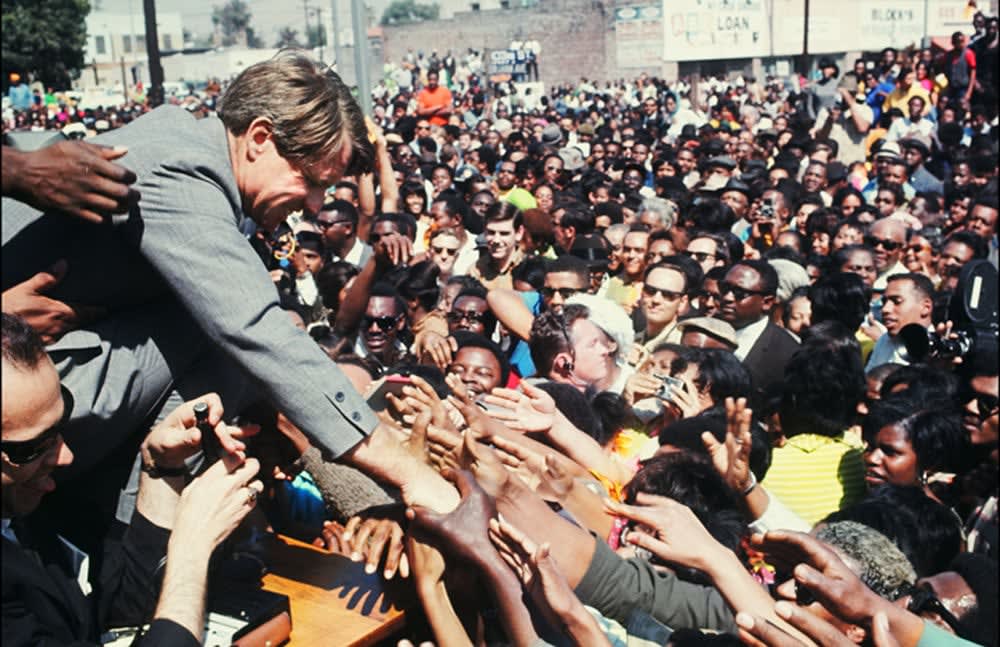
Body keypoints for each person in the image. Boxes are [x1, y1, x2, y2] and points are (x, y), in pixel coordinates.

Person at [2, 52, 458, 533]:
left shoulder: (200, 156)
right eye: (311, 181)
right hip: (29, 411)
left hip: (63, 379)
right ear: (260, 139)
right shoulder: (184, 171)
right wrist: (411, 477)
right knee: (228, 336)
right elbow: (256, 332)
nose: (316, 205)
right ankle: (132, 540)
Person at [2, 312, 262, 645]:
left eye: (60, 424)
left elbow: (122, 613)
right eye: (32, 448)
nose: (65, 456)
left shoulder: (20, 507)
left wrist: (161, 469)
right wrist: (191, 551)